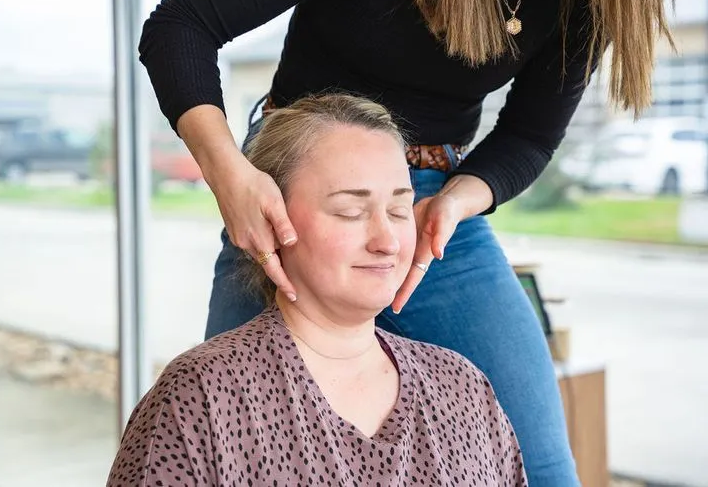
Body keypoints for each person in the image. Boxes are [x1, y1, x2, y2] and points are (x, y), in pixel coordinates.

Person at [138, 0, 684, 484]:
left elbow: (531, 134)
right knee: (223, 425)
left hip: (436, 197)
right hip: (302, 185)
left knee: (544, 468)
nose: (384, 239)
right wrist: (229, 175)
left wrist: (458, 202)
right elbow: (180, 26)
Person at [107, 95, 527, 487]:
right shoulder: (200, 396)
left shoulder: (463, 388)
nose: (387, 241)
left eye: (399, 210)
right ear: (269, 220)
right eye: (350, 211)